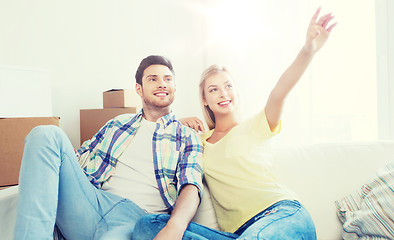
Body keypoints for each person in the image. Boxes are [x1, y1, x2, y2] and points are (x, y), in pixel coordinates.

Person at [133, 7, 337, 240]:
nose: (223, 93)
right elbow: (153, 132)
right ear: (204, 99)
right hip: (240, 234)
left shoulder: (257, 125)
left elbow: (279, 92)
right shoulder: (197, 140)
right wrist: (176, 121)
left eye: (228, 86)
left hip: (282, 215)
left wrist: (308, 50)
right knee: (147, 226)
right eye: (214, 89)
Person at [13, 55, 205, 240]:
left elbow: (191, 185)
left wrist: (175, 226)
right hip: (92, 202)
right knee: (45, 134)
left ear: (174, 87)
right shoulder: (118, 124)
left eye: (168, 79)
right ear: (139, 89)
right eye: (153, 79)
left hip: (137, 219)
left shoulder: (186, 136)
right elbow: (80, 156)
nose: (162, 84)